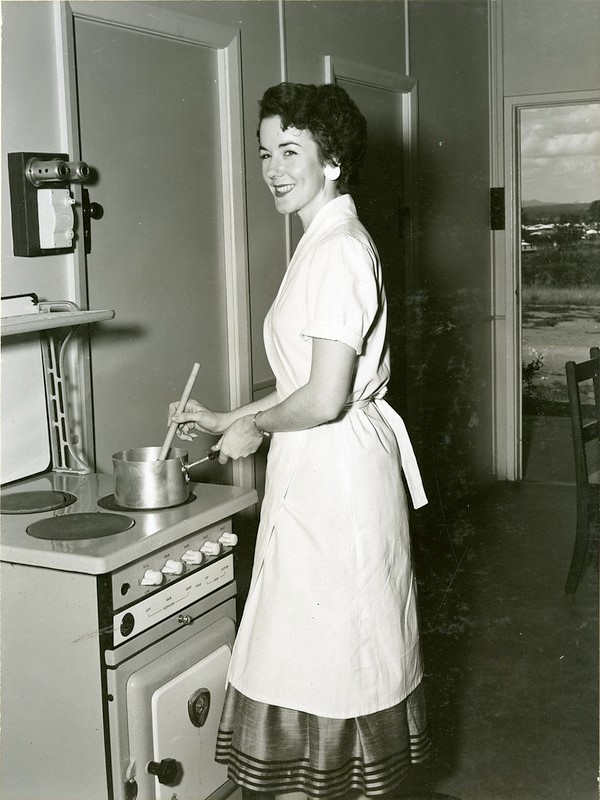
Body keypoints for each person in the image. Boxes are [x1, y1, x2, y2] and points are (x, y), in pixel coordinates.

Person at [169, 82, 429, 799]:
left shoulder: (338, 250)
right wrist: (228, 417)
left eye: (290, 150)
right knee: (312, 658)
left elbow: (322, 398)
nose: (273, 169)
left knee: (332, 664)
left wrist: (253, 427)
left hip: (337, 479)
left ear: (332, 159)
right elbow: (306, 382)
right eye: (264, 153)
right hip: (321, 470)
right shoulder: (321, 243)